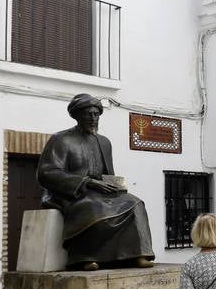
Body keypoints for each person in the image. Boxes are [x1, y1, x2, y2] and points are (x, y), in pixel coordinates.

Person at [37, 94, 155, 271]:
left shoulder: (104, 142)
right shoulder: (61, 140)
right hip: (72, 193)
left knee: (135, 203)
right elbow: (46, 173)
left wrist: (116, 185)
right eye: (88, 114)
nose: (93, 119)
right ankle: (83, 257)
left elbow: (107, 174)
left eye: (96, 114)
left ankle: (137, 254)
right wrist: (87, 182)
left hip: (100, 191)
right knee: (93, 207)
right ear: (77, 116)